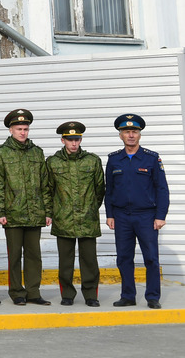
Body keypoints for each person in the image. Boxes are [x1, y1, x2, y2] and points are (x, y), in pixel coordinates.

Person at [105, 113, 169, 309]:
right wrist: (109, 214)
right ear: (120, 135)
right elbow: (109, 189)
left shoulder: (151, 159)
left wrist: (160, 216)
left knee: (151, 257)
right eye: (126, 132)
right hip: (122, 216)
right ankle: (128, 296)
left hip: (146, 216)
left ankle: (152, 297)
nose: (130, 135)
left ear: (139, 134)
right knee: (124, 258)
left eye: (134, 131)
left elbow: (162, 189)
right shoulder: (114, 160)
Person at [0, 108, 52, 306]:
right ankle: (17, 292)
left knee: (34, 256)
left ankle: (33, 292)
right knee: (15, 256)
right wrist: (0, 212)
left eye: (25, 128)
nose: (23, 132)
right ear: (11, 130)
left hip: (35, 213)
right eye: (19, 129)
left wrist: (47, 211)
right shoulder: (1, 152)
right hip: (13, 213)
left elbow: (45, 184)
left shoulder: (37, 152)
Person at [46, 121, 105, 307]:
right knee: (65, 261)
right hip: (63, 219)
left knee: (89, 260)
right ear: (63, 140)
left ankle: (90, 295)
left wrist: (90, 208)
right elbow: (48, 190)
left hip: (88, 218)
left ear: (81, 140)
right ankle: (67, 294)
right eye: (70, 140)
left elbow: (100, 189)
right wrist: (54, 211)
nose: (74, 143)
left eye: (77, 139)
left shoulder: (92, 160)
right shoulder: (53, 162)